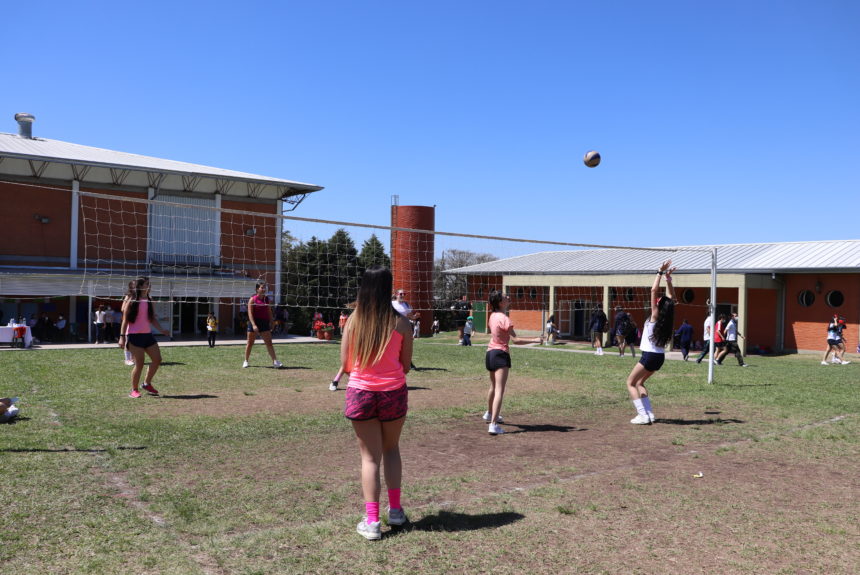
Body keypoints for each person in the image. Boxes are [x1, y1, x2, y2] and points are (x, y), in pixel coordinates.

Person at [340, 266, 413, 541]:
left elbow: (345, 365)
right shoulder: (402, 323)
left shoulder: (354, 321)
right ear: (388, 288)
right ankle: (395, 511)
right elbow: (405, 365)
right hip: (393, 392)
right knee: (391, 449)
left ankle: (372, 521)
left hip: (361, 392)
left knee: (370, 457)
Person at [484, 290, 543, 435]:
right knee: (499, 390)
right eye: (505, 296)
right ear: (500, 302)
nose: (508, 297)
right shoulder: (504, 318)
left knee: (493, 387)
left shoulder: (492, 316)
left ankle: (489, 413)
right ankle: (493, 425)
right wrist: (535, 340)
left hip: (490, 353)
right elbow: (516, 340)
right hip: (500, 354)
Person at [626, 261, 676, 424]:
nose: (659, 298)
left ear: (659, 305)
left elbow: (653, 290)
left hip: (650, 355)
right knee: (640, 383)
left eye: (660, 299)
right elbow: (672, 298)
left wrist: (659, 272)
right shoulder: (667, 316)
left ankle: (642, 415)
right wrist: (669, 279)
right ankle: (649, 414)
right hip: (659, 357)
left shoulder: (655, 314)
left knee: (630, 383)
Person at [118, 277, 170, 398]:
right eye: (147, 284)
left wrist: (162, 330)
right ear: (140, 286)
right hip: (134, 336)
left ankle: (146, 383)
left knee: (157, 359)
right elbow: (125, 320)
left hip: (147, 335)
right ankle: (134, 390)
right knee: (139, 363)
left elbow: (152, 319)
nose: (149, 286)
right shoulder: (132, 300)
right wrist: (122, 337)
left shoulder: (149, 300)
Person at [243, 283, 283, 369]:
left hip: (264, 323)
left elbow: (269, 311)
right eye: (262, 288)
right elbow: (250, 314)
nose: (264, 289)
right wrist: (253, 325)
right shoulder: (252, 299)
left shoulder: (266, 299)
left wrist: (272, 322)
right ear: (257, 289)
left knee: (269, 343)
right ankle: (246, 361)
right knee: (250, 343)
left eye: (265, 288)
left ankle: (275, 361)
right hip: (254, 321)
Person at [391, 290, 419, 371]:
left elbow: (410, 317)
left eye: (404, 294)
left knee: (406, 346)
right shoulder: (391, 303)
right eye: (401, 294)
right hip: (393, 328)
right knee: (394, 347)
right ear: (396, 295)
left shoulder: (407, 305)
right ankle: (394, 363)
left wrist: (414, 317)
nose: (403, 295)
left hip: (404, 329)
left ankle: (409, 363)